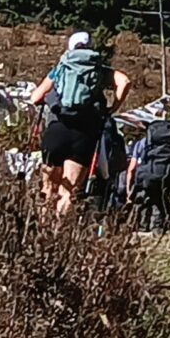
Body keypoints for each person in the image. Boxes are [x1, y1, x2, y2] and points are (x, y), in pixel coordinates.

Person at [27, 29, 131, 221]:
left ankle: (42, 228)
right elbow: (125, 81)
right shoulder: (100, 69)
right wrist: (111, 108)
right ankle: (57, 232)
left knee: (48, 187)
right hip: (84, 135)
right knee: (69, 192)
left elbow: (35, 98)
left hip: (57, 129)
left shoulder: (61, 68)